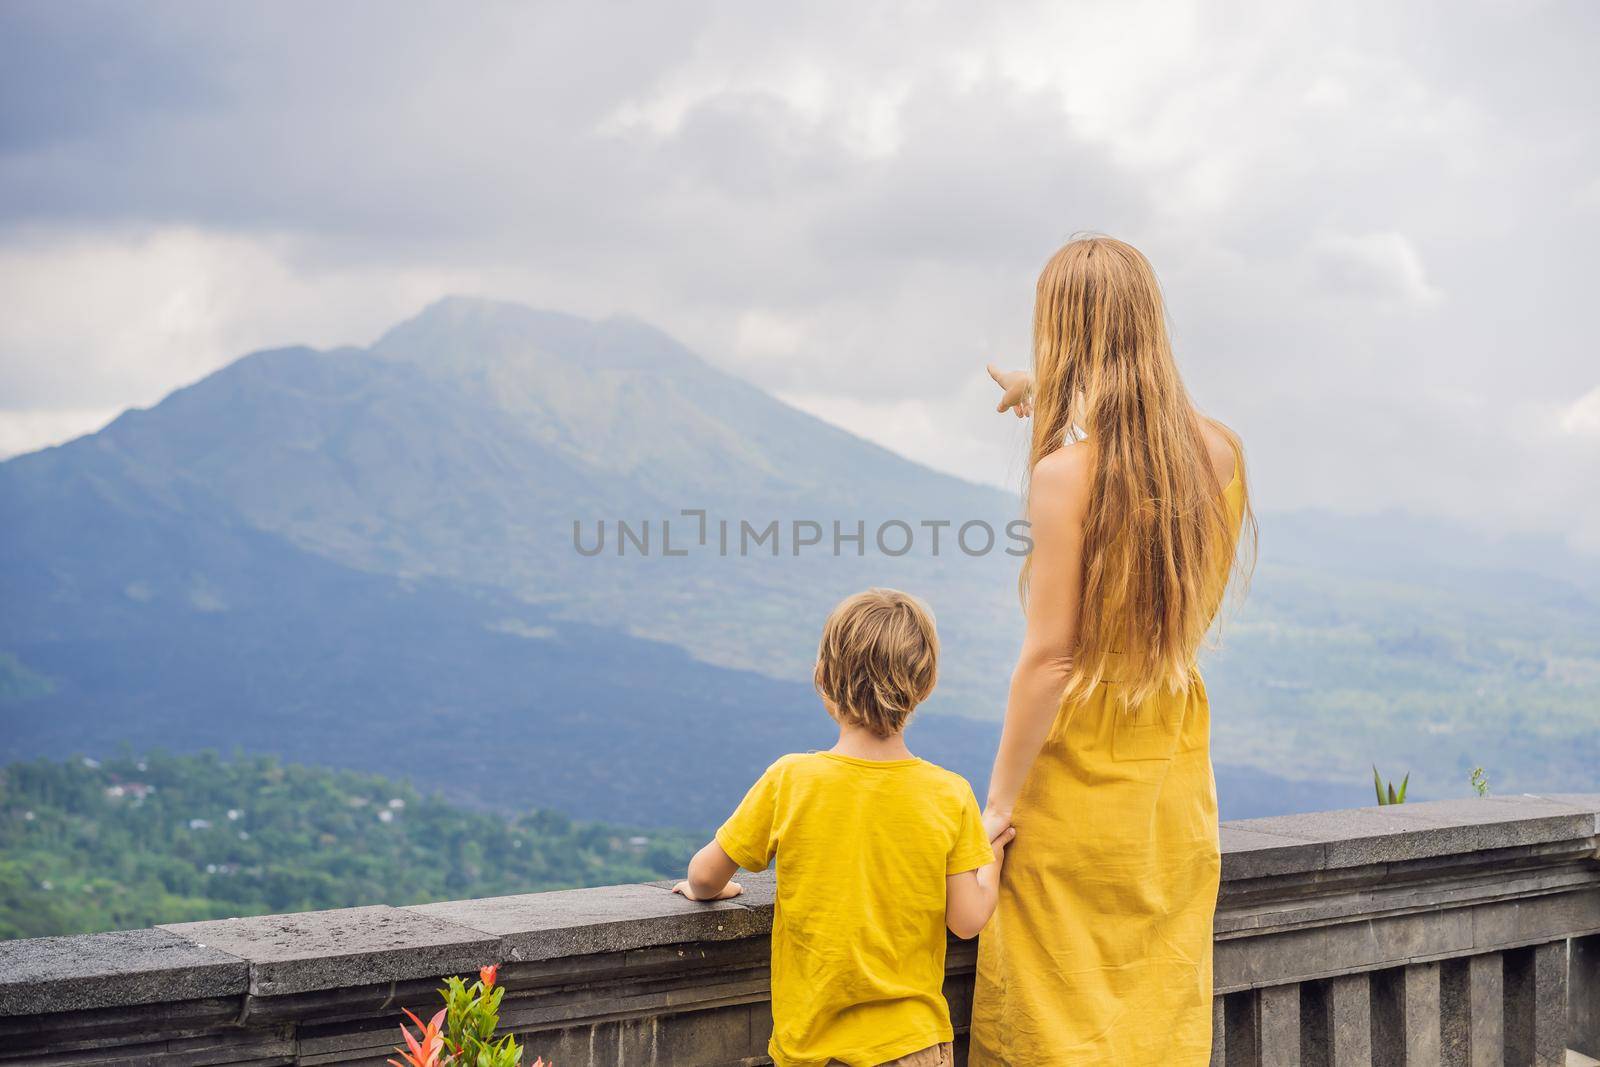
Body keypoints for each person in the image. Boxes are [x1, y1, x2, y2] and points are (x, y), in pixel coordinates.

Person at [969, 236, 1255, 1065]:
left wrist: (994, 806)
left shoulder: (1066, 474)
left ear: (1062, 331)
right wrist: (1048, 392)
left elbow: (1052, 657)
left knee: (1054, 1028)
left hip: (1077, 784)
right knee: (1154, 1019)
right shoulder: (1222, 451)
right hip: (1171, 784)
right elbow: (1143, 453)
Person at [674, 588, 1016, 1067]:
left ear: (823, 678)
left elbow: (705, 876)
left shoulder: (791, 779)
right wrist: (993, 856)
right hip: (912, 1043)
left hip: (812, 1047)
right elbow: (966, 919)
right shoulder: (949, 793)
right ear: (926, 684)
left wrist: (702, 889)